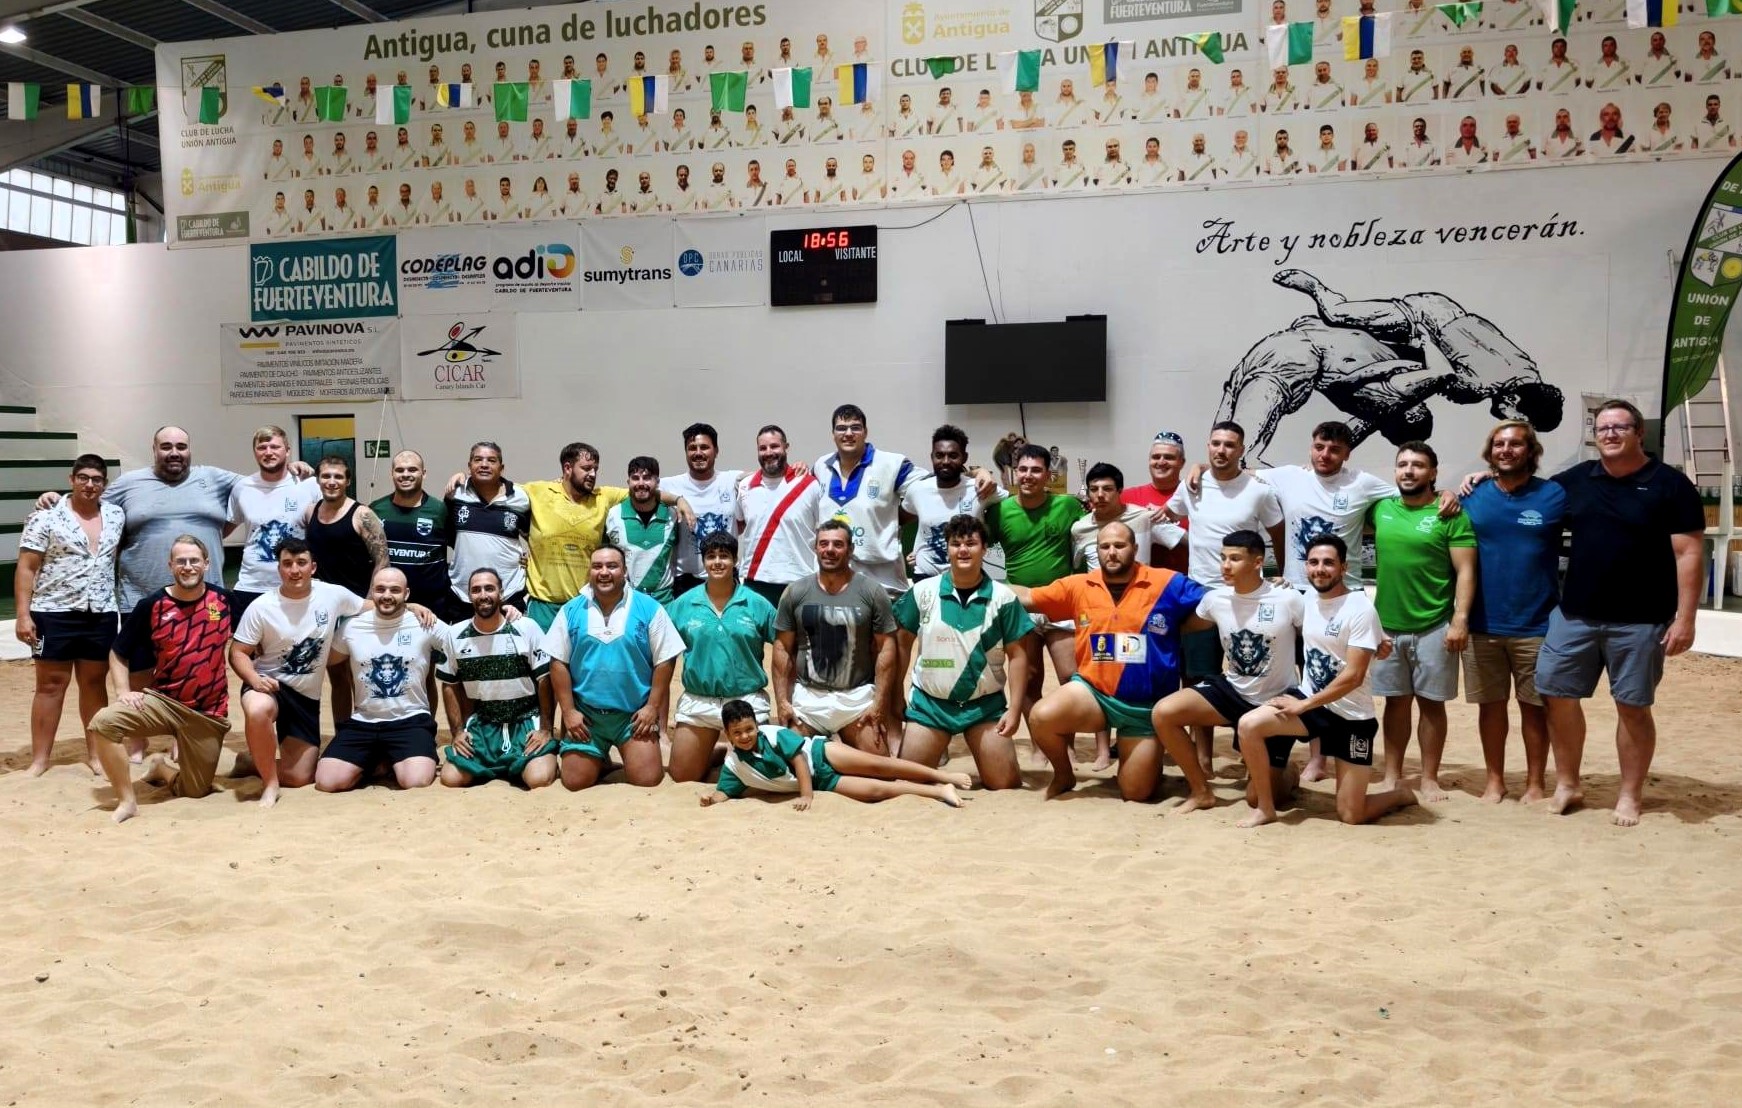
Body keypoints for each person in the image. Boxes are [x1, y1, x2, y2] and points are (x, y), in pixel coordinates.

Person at [1531, 400, 1703, 826]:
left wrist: (1686, 618)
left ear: (1639, 432)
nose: (1609, 434)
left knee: (1632, 706)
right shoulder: (1576, 480)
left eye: (1619, 427)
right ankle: (1568, 783)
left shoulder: (1671, 485)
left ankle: (1629, 794)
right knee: (1556, 695)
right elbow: (1524, 493)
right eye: (1602, 428)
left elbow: (1688, 553)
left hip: (1641, 621)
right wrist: (1481, 478)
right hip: (1576, 615)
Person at [1012, 521, 1209, 801]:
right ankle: (1064, 774)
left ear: (1135, 548)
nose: (1112, 552)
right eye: (1104, 546)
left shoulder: (1167, 582)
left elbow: (1213, 604)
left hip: (1145, 707)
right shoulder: (1080, 585)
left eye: (1119, 545)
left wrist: (1184, 626)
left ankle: (1150, 765)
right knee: (1042, 717)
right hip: (1094, 694)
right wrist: (976, 581)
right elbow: (1028, 597)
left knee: (1136, 792)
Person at [1231, 535, 1418, 826]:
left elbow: (1354, 677)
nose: (1320, 569)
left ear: (1344, 567)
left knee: (1352, 814)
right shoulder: (1306, 599)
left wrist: (1303, 705)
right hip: (1312, 702)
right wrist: (1274, 583)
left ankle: (1400, 794)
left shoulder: (1360, 608)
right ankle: (1266, 807)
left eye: (1329, 563)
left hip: (1351, 715)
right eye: (1313, 562)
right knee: (1248, 725)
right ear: (1305, 566)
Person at [1152, 530, 1306, 816]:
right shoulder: (1215, 599)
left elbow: (1315, 638)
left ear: (1258, 562)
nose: (1225, 565)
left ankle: (1288, 771)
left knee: (1255, 798)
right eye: (1223, 558)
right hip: (1232, 691)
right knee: (1164, 713)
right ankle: (1201, 792)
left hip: (1274, 702)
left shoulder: (1288, 599)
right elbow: (1186, 627)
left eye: (1235, 559)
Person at [1165, 422, 1285, 775]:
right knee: (1199, 676)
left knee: (1253, 672)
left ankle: (1250, 750)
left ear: (1241, 449)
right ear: (1208, 446)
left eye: (1230, 445)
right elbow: (1165, 516)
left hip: (1247, 596)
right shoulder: (1192, 486)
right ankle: (1203, 756)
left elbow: (1279, 533)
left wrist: (1282, 575)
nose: (1222, 450)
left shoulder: (1259, 491)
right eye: (1216, 443)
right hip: (1200, 594)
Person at [88, 536, 234, 823]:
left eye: (194, 560)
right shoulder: (152, 604)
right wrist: (122, 691)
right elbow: (118, 652)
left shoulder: (224, 601)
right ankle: (127, 801)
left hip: (206, 711)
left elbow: (251, 636)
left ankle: (160, 768)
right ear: (170, 566)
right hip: (162, 702)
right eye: (181, 561)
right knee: (104, 723)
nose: (188, 566)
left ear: (206, 564)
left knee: (194, 791)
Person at [1460, 419, 1566, 804]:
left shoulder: (1554, 495)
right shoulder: (1472, 495)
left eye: (1515, 444)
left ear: (1530, 451)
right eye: (1499, 444)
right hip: (1482, 623)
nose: (1506, 450)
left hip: (1536, 624)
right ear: (1490, 453)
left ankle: (1536, 783)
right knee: (1490, 709)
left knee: (1534, 709)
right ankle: (1495, 781)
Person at [893, 517, 1033, 790]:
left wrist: (1015, 710)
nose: (963, 550)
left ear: (985, 549)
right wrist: (896, 693)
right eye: (956, 544)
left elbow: (1018, 656)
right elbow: (901, 644)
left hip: (985, 707)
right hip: (930, 705)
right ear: (947, 549)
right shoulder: (922, 592)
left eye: (971, 543)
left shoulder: (1004, 598)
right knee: (909, 783)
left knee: (1004, 784)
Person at [1371, 441, 1477, 803]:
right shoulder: (1381, 508)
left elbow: (1466, 571)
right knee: (1395, 703)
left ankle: (1430, 778)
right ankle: (1392, 775)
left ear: (1433, 472)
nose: (1409, 470)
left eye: (1418, 465)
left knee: (1432, 704)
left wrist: (1460, 620)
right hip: (1387, 626)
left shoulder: (1451, 514)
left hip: (1434, 625)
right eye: (1403, 464)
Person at [229, 538, 368, 808]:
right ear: (279, 569)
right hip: (269, 684)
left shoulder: (333, 595)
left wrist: (411, 607)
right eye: (287, 564)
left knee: (299, 776)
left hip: (305, 697)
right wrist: (254, 679)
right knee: (258, 709)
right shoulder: (262, 606)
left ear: (313, 567)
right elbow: (237, 652)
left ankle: (250, 761)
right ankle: (270, 785)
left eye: (301, 563)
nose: (295, 570)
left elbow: (372, 607)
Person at [15, 454, 124, 776]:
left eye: (97, 479)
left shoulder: (116, 515)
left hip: (101, 612)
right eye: (83, 478)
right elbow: (26, 567)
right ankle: (40, 759)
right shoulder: (46, 516)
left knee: (94, 683)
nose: (90, 485)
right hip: (53, 612)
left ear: (104, 484)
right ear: (72, 480)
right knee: (50, 685)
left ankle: (96, 755)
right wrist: (23, 615)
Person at [546, 544, 685, 791]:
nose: (604, 572)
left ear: (625, 571)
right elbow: (558, 661)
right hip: (587, 717)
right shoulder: (571, 610)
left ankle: (610, 754)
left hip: (632, 717)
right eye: (597, 566)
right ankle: (599, 757)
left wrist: (652, 707)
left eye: (612, 566)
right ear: (589, 571)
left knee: (647, 780)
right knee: (575, 782)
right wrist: (568, 712)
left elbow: (665, 659)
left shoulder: (649, 608)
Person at [519, 442, 692, 629]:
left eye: (595, 469)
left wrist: (679, 500)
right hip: (543, 605)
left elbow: (643, 492)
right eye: (586, 468)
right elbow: (503, 497)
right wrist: (518, 551)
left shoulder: (604, 497)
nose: (593, 474)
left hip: (585, 602)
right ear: (567, 468)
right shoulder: (538, 491)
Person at [985, 444, 1087, 761]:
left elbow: (1095, 532)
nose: (1028, 476)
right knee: (1029, 679)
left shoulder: (1068, 506)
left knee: (1070, 677)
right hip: (1021, 607)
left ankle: (1066, 743)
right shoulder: (999, 511)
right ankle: (1039, 745)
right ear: (1015, 472)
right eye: (1023, 469)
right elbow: (974, 544)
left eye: (1036, 470)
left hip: (1060, 604)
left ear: (1048, 475)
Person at [699, 699, 968, 809]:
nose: (745, 736)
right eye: (737, 733)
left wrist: (806, 796)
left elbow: (799, 759)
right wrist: (712, 799)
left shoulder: (773, 734)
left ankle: (942, 776)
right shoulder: (734, 764)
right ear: (728, 735)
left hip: (821, 754)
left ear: (757, 726)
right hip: (823, 781)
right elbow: (725, 791)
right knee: (876, 791)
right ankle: (939, 791)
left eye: (749, 729)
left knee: (879, 765)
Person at [772, 520, 899, 752]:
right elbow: (782, 649)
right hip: (808, 698)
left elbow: (886, 649)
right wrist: (782, 702)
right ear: (816, 548)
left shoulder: (872, 592)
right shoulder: (795, 592)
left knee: (877, 763)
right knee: (787, 759)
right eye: (824, 544)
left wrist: (879, 703)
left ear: (850, 550)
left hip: (856, 698)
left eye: (838, 544)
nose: (830, 549)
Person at [314, 568, 443, 793]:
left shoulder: (424, 623)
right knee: (327, 781)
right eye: (380, 589)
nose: (387, 595)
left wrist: (505, 614)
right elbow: (324, 660)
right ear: (372, 592)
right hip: (364, 721)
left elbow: (461, 643)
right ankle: (377, 760)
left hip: (410, 719)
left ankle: (389, 758)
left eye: (395, 590)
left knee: (415, 780)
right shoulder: (352, 627)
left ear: (406, 593)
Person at [664, 532, 778, 782]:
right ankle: (714, 752)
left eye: (724, 556)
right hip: (699, 700)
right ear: (703, 561)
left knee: (764, 774)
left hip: (746, 700)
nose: (717, 562)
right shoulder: (683, 604)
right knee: (682, 777)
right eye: (711, 556)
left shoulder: (757, 603)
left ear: (735, 560)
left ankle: (730, 754)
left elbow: (784, 648)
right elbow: (662, 652)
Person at [436, 567, 558, 790]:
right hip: (483, 724)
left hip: (525, 721)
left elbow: (545, 680)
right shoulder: (455, 635)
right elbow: (449, 685)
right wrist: (457, 732)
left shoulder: (526, 627)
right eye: (476, 590)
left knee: (538, 779)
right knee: (451, 778)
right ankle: (500, 764)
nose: (483, 595)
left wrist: (546, 729)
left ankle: (528, 761)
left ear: (501, 593)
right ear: (469, 595)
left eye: (489, 589)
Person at [814, 404, 926, 595]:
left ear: (865, 432)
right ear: (833, 434)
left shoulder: (891, 464)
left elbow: (933, 488)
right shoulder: (821, 466)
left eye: (855, 427)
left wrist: (976, 472)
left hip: (883, 585)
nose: (848, 434)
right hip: (831, 585)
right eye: (841, 428)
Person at [226, 425, 320, 624]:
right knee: (244, 642)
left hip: (296, 583)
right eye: (262, 447)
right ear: (255, 452)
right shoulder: (242, 488)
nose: (268, 452)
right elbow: (224, 529)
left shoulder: (308, 485)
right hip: (251, 585)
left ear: (287, 451)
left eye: (275, 447)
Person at [902, 424, 1003, 583]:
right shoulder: (917, 490)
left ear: (964, 457)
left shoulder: (980, 487)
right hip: (925, 578)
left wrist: (982, 471)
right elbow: (899, 520)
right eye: (939, 455)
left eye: (953, 456)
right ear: (932, 456)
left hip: (968, 578)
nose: (945, 461)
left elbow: (1018, 501)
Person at [738, 424, 821, 609]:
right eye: (763, 448)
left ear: (786, 447)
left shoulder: (810, 485)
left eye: (774, 446)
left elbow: (825, 530)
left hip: (800, 580)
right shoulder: (745, 486)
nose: (769, 452)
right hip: (755, 582)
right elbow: (738, 525)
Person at [371, 449, 459, 621]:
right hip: (388, 604)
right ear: (391, 474)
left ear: (423, 473)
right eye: (399, 470)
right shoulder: (376, 509)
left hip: (433, 608)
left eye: (412, 469)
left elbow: (462, 547)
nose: (405, 474)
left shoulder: (439, 510)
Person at [446, 441, 532, 612]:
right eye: (478, 460)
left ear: (502, 468)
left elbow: (536, 537)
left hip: (508, 594)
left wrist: (531, 556)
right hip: (463, 594)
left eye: (491, 460)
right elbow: (446, 537)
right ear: (469, 466)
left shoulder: (520, 498)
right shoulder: (455, 495)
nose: (484, 465)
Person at [663, 422, 743, 598]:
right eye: (692, 448)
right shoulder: (671, 484)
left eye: (704, 447)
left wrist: (797, 469)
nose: (698, 453)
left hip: (727, 575)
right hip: (685, 581)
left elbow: (766, 475)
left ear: (716, 450)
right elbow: (644, 491)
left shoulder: (732, 480)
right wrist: (678, 499)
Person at [604, 455, 679, 604]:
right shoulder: (613, 515)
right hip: (625, 601)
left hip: (664, 602)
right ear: (628, 482)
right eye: (635, 478)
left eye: (647, 478)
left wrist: (680, 500)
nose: (641, 483)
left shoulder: (673, 515)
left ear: (657, 482)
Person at [1121, 431, 1190, 573]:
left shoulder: (1194, 498)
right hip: (1140, 581)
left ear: (1182, 462)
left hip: (1185, 580)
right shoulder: (1126, 497)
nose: (1161, 462)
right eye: (1156, 457)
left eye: (1169, 457)